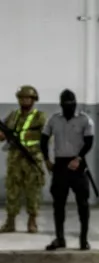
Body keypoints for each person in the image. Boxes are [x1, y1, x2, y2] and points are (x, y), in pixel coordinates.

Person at [40, 89, 95, 251]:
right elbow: (43, 140)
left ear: (75, 103)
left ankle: (83, 240)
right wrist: (46, 160)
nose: (69, 106)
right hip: (60, 165)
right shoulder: (54, 119)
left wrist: (78, 158)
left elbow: (89, 142)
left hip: (78, 164)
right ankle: (60, 238)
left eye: (71, 103)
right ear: (61, 104)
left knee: (83, 204)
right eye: (65, 104)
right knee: (58, 204)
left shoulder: (85, 119)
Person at [1, 85, 47, 233]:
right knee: (12, 189)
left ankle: (32, 221)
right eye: (22, 98)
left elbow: (47, 137)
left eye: (28, 98)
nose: (24, 100)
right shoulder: (12, 116)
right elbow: (2, 135)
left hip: (32, 158)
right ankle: (10, 221)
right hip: (15, 158)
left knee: (33, 190)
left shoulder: (40, 117)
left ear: (33, 100)